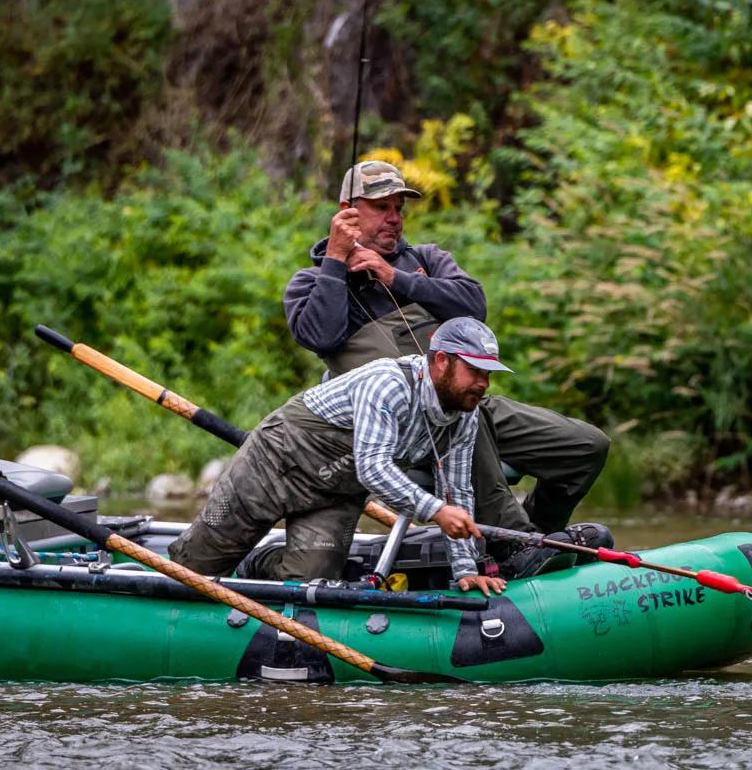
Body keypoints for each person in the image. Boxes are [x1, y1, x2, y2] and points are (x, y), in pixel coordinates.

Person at [282, 160, 612, 576]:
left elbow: (475, 307)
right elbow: (319, 336)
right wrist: (335, 261)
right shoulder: (311, 282)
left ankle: (536, 539)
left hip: (467, 402)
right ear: (348, 210)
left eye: (399, 207)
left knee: (586, 446)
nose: (395, 218)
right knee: (465, 423)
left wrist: (396, 278)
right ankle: (511, 542)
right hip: (398, 430)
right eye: (382, 207)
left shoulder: (426, 259)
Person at [168, 317, 507, 596]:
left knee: (309, 589)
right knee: (193, 572)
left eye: (488, 374)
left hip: (336, 495)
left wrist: (466, 568)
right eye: (474, 371)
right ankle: (222, 561)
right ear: (442, 361)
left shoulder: (466, 415)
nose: (483, 383)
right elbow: (374, 469)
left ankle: (256, 564)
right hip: (273, 464)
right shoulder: (388, 383)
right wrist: (435, 511)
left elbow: (457, 493)